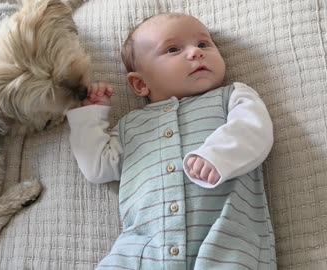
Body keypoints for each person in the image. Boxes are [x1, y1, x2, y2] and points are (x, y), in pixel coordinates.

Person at [67, 13, 277, 270]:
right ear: (140, 84)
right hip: (141, 250)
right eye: (173, 49)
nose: (195, 53)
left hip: (223, 241)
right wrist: (88, 114)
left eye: (203, 44)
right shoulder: (131, 127)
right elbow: (97, 167)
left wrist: (218, 156)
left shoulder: (232, 96)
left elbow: (253, 129)